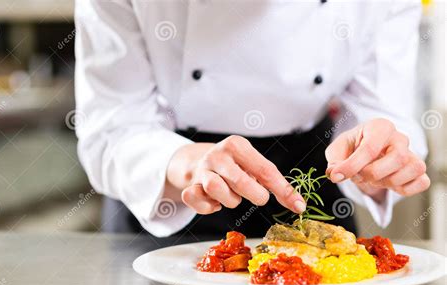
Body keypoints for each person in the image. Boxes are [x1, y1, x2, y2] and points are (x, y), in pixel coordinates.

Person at [74, 0, 430, 245]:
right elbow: (111, 127)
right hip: (172, 190)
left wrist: (375, 159)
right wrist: (188, 164)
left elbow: (382, 107)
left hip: (310, 185)